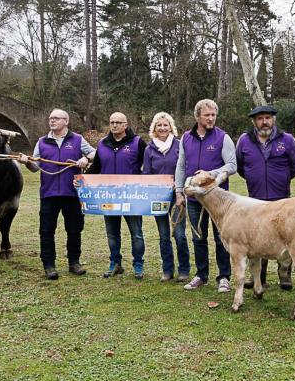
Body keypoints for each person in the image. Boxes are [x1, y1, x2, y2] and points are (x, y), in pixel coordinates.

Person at [18, 109, 94, 280]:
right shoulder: (42, 142)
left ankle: (74, 263)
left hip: (72, 193)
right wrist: (26, 162)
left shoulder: (77, 139)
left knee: (74, 230)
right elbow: (35, 167)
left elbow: (94, 154)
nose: (52, 121)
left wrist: (85, 160)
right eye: (50, 118)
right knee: (46, 231)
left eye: (56, 118)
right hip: (49, 194)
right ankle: (49, 266)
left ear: (66, 121)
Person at [174, 99, 237, 293]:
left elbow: (232, 165)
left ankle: (224, 277)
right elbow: (181, 165)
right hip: (193, 199)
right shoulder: (185, 138)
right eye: (206, 115)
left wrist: (210, 174)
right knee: (198, 238)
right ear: (197, 117)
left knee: (221, 238)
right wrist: (178, 191)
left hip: (218, 200)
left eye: (213, 115)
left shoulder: (222, 137)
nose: (211, 119)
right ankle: (201, 275)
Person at [235, 105, 295, 290]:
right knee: (257, 237)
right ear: (254, 121)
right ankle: (258, 277)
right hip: (255, 200)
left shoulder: (287, 140)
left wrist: (283, 178)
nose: (264, 122)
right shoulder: (244, 140)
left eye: (268, 118)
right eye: (260, 118)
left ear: (273, 120)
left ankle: (284, 274)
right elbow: (240, 166)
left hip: (281, 198)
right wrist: (252, 177)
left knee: (285, 236)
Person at [87, 112, 148, 280]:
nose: (114, 125)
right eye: (112, 122)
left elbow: (149, 166)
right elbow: (96, 168)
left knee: (136, 233)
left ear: (125, 125)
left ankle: (138, 265)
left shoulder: (137, 142)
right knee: (112, 234)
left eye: (118, 122)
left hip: (132, 198)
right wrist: (81, 178)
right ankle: (115, 263)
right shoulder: (102, 144)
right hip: (109, 197)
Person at [143, 112, 191, 283]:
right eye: (159, 125)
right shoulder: (149, 149)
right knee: (164, 235)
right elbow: (147, 174)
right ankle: (167, 270)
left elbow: (186, 168)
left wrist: (179, 186)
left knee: (179, 234)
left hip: (177, 196)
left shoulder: (179, 145)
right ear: (154, 128)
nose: (162, 128)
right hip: (158, 198)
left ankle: (184, 270)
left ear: (171, 127)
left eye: (165, 125)